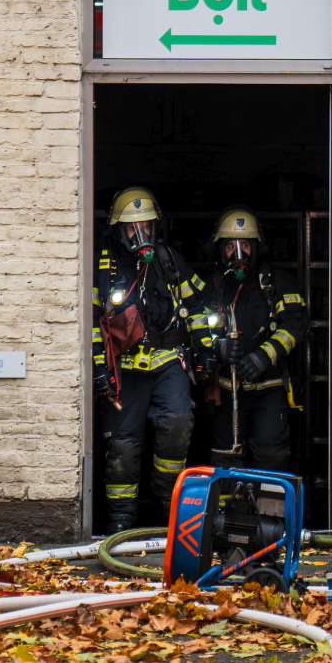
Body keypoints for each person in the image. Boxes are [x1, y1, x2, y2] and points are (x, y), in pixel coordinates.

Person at [93, 186, 212, 533]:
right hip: (124, 369)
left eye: (146, 225)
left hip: (166, 361)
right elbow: (89, 318)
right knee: (123, 445)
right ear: (118, 229)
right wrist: (99, 365)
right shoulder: (104, 266)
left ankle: (169, 506)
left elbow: (197, 305)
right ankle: (120, 521)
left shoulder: (168, 260)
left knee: (177, 420)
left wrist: (204, 346)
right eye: (132, 227)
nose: (140, 233)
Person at [198, 206, 309, 471]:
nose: (238, 253)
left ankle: (268, 514)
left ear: (257, 247)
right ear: (219, 250)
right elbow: (196, 329)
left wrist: (264, 355)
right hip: (226, 390)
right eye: (230, 246)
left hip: (269, 389)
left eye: (245, 244)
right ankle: (225, 512)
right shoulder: (211, 286)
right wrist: (218, 346)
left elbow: (295, 324)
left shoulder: (277, 282)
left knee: (271, 456)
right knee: (226, 457)